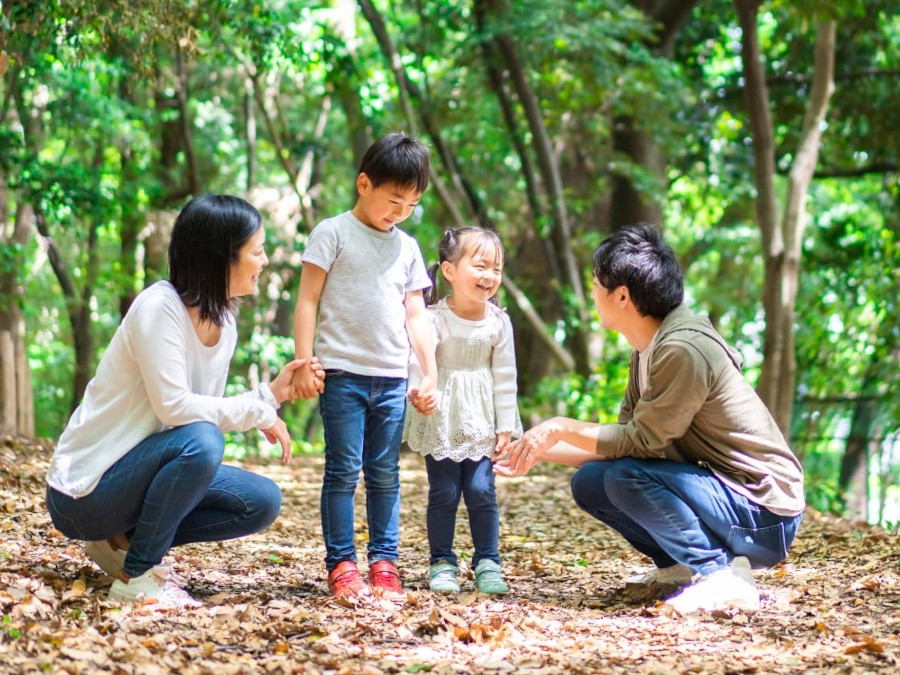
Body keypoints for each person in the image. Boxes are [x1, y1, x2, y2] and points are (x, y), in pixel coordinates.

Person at [494, 223, 805, 614]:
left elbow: (639, 442)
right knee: (591, 482)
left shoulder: (682, 348)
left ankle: (719, 575)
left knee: (625, 478)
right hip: (729, 499)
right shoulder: (646, 348)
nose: (592, 294)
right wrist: (528, 450)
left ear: (622, 295)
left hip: (765, 514)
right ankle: (679, 567)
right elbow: (623, 446)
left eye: (596, 285)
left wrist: (560, 427)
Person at [46, 194, 324, 609]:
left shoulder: (224, 321)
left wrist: (271, 395)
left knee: (261, 500)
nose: (265, 261)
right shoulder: (159, 308)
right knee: (205, 442)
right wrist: (256, 412)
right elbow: (175, 409)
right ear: (221, 257)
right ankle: (137, 576)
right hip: (84, 493)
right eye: (258, 251)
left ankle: (121, 542)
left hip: (138, 475)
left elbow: (201, 407)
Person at [292, 132, 438, 600]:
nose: (401, 212)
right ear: (363, 184)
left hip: (392, 379)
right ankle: (341, 564)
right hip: (342, 374)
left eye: (412, 204)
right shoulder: (332, 232)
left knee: (385, 473)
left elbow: (416, 315)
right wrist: (304, 361)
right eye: (394, 200)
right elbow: (307, 299)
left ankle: (384, 562)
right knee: (342, 470)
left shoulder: (408, 248)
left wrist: (429, 373)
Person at [404, 227, 522, 595]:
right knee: (444, 491)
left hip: (481, 419)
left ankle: (488, 562)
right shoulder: (434, 317)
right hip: (442, 417)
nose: (490, 276)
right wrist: (418, 391)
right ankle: (441, 562)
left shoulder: (498, 322)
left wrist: (505, 426)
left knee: (481, 490)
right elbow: (418, 361)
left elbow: (505, 378)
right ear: (449, 271)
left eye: (496, 269)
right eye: (480, 266)